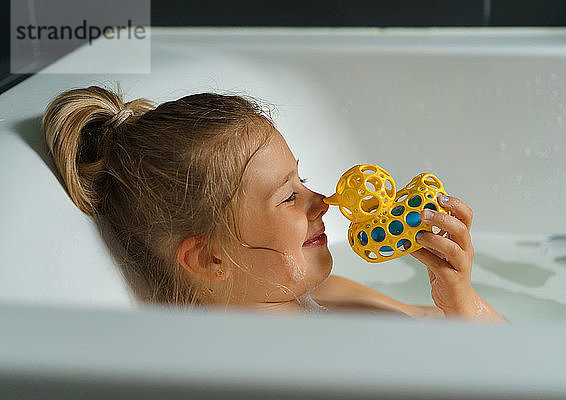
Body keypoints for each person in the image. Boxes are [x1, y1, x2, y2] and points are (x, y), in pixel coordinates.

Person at [42, 85, 505, 322]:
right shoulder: (250, 367)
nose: (322, 201)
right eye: (289, 195)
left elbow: (475, 346)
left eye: (301, 180)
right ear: (209, 257)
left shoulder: (316, 292)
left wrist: (460, 298)